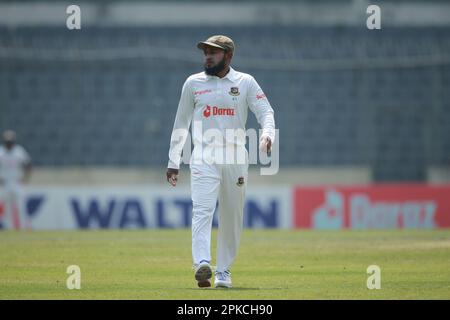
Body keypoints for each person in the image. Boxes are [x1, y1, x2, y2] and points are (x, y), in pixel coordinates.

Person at [166, 35, 275, 288]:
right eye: (205, 52)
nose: (207, 56)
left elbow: (265, 111)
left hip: (236, 157)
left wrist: (267, 134)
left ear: (228, 56)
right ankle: (202, 263)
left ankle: (224, 271)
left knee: (231, 215)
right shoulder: (193, 83)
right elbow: (181, 123)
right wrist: (173, 160)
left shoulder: (245, 82)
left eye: (213, 52)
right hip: (204, 156)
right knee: (202, 210)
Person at [0, 130, 32, 230]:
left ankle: (22, 228)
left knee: (20, 207)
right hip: (5, 183)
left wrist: (25, 178)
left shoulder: (19, 151)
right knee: (8, 209)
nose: (9, 144)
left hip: (17, 182)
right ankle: (10, 229)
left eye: (10, 141)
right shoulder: (0, 152)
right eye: (7, 142)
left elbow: (28, 164)